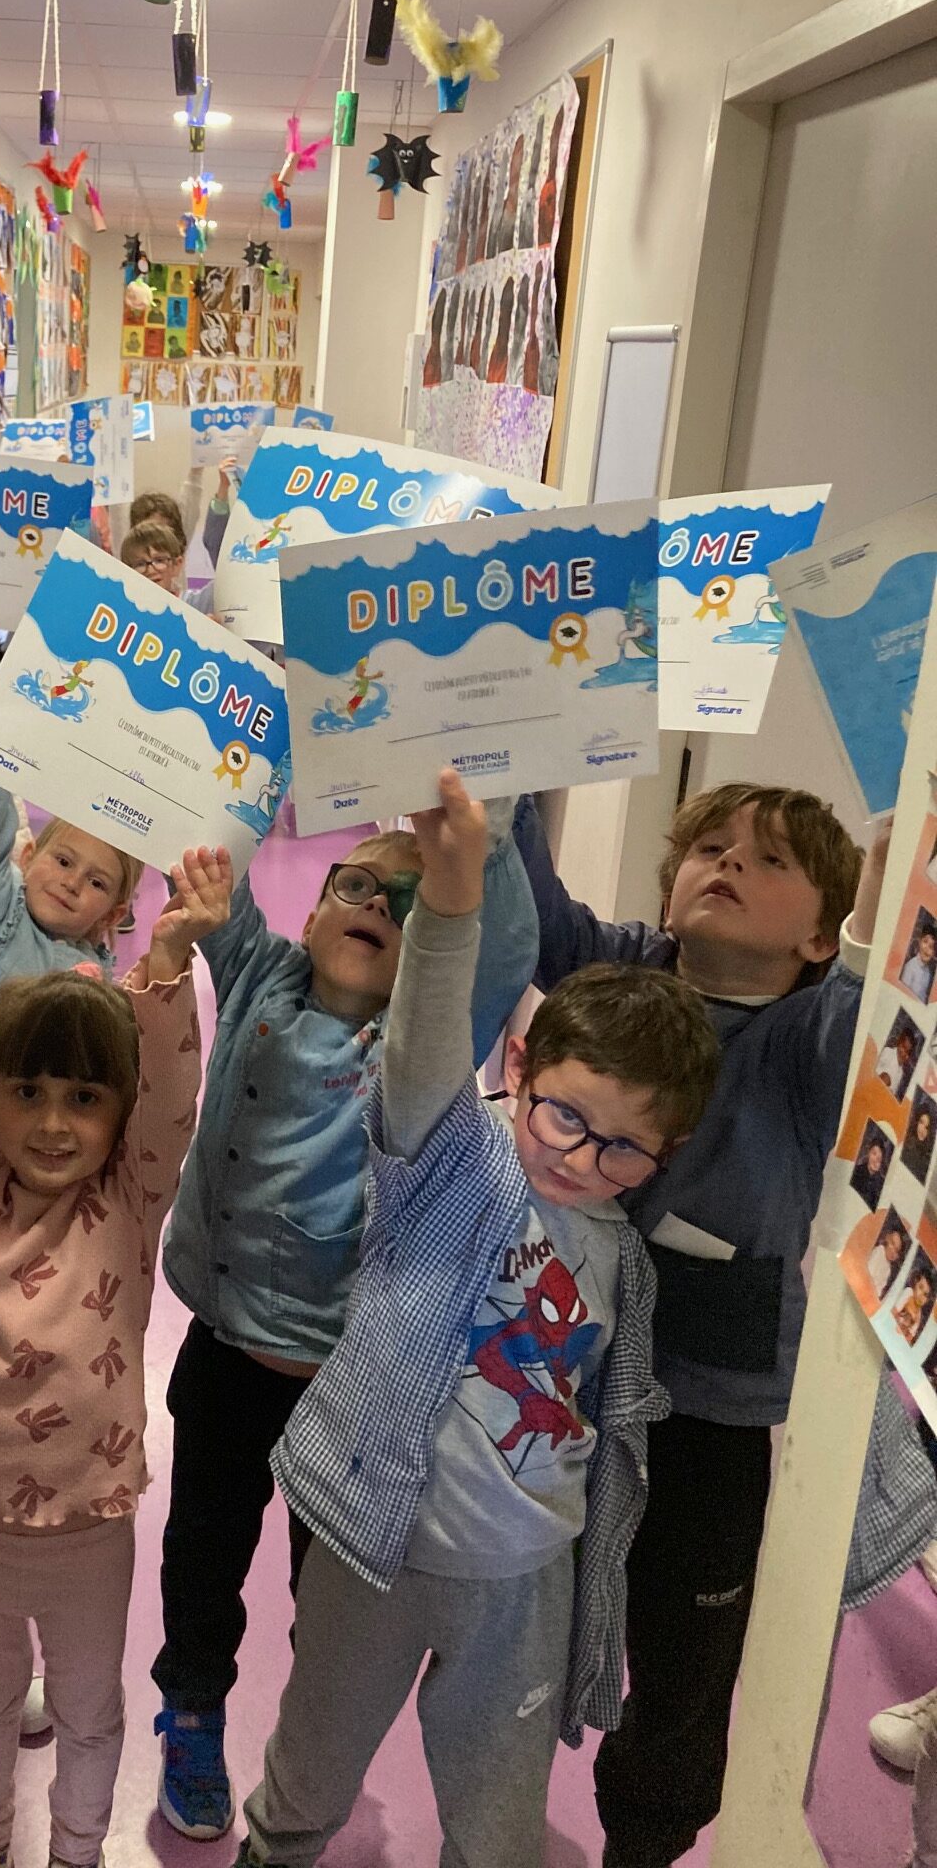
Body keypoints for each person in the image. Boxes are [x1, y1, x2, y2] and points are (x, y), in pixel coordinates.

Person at [235, 771, 719, 1868]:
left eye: (622, 1146)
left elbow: (611, 1422)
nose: (580, 1158)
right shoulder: (453, 1157)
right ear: (523, 1069)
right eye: (566, 1116)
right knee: (310, 1765)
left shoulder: (624, 1260)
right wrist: (451, 899)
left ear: (665, 1152)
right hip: (376, 1544)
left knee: (498, 1821)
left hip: (523, 1575)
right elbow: (418, 1047)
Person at [512, 781, 889, 1867]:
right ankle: (493, 1795)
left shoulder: (806, 1034)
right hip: (566, 1376)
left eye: (770, 861)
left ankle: (646, 1839)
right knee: (519, 1609)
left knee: (684, 1659)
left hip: (709, 1404)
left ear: (817, 934)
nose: (727, 864)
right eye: (711, 846)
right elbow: (531, 906)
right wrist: (510, 759)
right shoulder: (625, 969)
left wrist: (884, 887)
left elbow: (864, 1015)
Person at [151, 808, 539, 1837]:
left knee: (325, 1596)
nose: (375, 904)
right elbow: (218, 869)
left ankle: (310, 1748)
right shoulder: (262, 978)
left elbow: (503, 947)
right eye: (355, 886)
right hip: (226, 1351)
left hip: (348, 1382)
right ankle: (191, 1709)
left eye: (407, 902)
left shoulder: (420, 1044)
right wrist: (235, 775)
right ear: (313, 911)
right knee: (200, 1559)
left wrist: (489, 833)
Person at [0, 831, 231, 1868]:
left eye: (84, 1099)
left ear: (119, 1115)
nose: (51, 1123)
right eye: (28, 1092)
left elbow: (171, 1097)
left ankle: (78, 1851)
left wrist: (166, 960)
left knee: (88, 1715)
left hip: (87, 1527)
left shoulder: (130, 1195)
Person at [0, 615, 144, 1090]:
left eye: (96, 882)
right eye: (62, 861)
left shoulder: (94, 987)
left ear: (114, 913)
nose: (72, 882)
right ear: (27, 856)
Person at [853, 1132, 892, 1206]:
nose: (876, 1160)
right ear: (869, 1153)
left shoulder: (882, 1184)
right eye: (874, 1154)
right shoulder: (856, 1172)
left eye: (879, 1158)